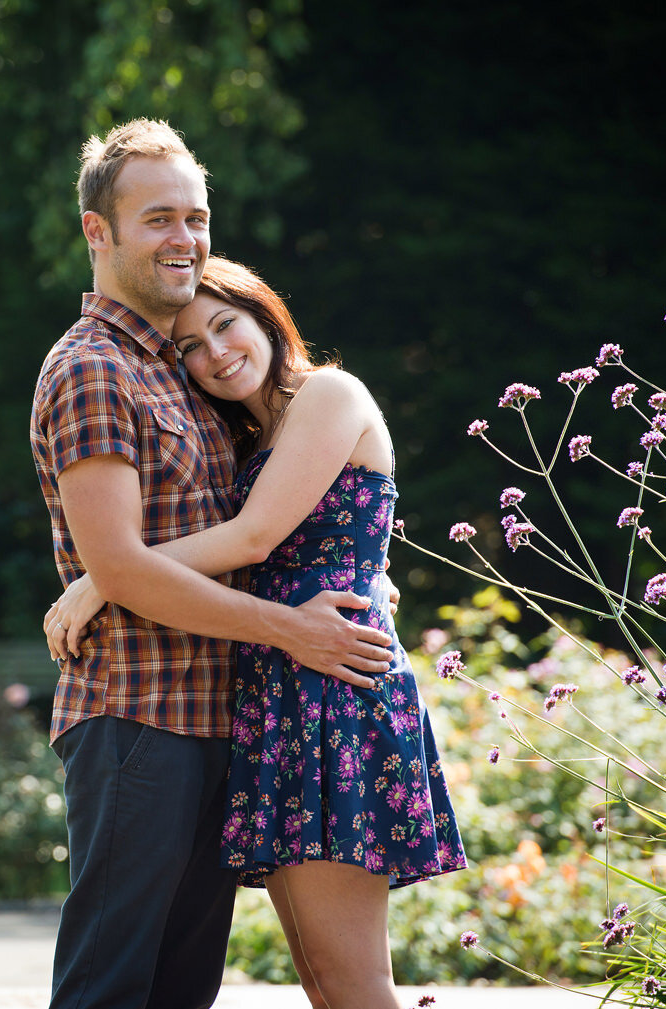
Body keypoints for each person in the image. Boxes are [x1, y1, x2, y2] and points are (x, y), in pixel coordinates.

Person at [29, 119, 396, 1009]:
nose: (184, 238)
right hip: (138, 715)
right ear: (97, 232)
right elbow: (124, 565)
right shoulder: (93, 370)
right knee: (110, 987)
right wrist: (290, 629)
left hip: (225, 719)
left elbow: (277, 530)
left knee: (181, 988)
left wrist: (369, 574)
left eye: (195, 217)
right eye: (158, 218)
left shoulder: (185, 380)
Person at [44, 256, 467, 1009]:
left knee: (353, 981)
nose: (215, 354)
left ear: (267, 316)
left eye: (226, 325)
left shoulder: (330, 392)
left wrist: (99, 578)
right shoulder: (247, 434)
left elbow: (254, 539)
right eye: (193, 348)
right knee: (325, 980)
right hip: (279, 698)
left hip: (336, 689)